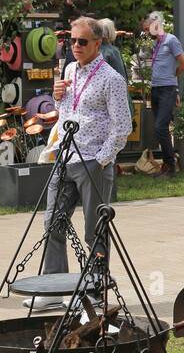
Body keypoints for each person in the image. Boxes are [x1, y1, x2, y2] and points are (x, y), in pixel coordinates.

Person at [31, 17, 133, 308]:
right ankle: (52, 291)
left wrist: (102, 159)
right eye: (71, 41)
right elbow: (68, 112)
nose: (75, 46)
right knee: (53, 222)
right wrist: (57, 97)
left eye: (82, 41)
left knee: (93, 230)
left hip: (92, 161)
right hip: (66, 157)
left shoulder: (112, 79)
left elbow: (123, 126)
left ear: (98, 44)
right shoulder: (70, 70)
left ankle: (94, 292)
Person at [142, 11, 184, 177]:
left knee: (161, 127)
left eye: (148, 29)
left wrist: (172, 80)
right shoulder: (157, 44)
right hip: (156, 89)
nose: (147, 33)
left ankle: (170, 166)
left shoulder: (171, 40)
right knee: (161, 129)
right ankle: (169, 164)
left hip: (166, 90)